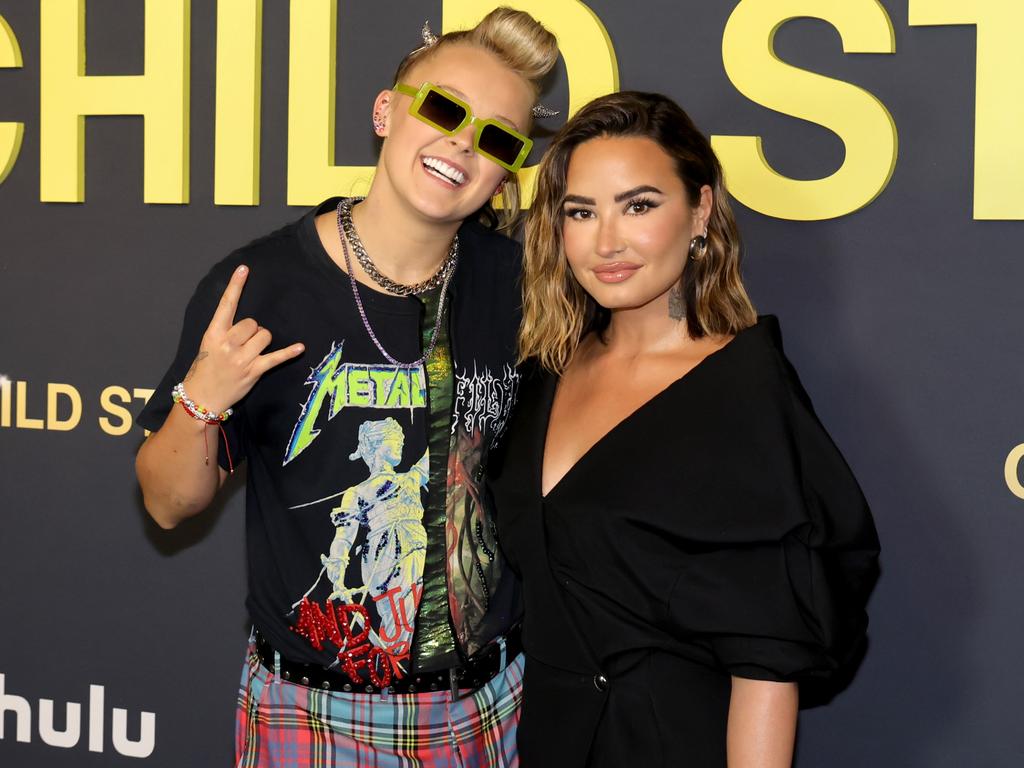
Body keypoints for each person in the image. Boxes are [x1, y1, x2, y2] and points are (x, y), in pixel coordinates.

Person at [135, 9, 559, 766]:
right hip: (316, 714)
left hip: (496, 707)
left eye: (497, 137)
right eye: (443, 109)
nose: (463, 143)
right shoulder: (266, 285)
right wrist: (203, 396)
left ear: (507, 169)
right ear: (386, 110)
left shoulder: (520, 286)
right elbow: (168, 504)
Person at [488, 91, 881, 767]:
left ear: (699, 212)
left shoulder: (740, 389)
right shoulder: (544, 372)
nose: (606, 241)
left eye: (639, 205)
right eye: (582, 212)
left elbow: (767, 660)